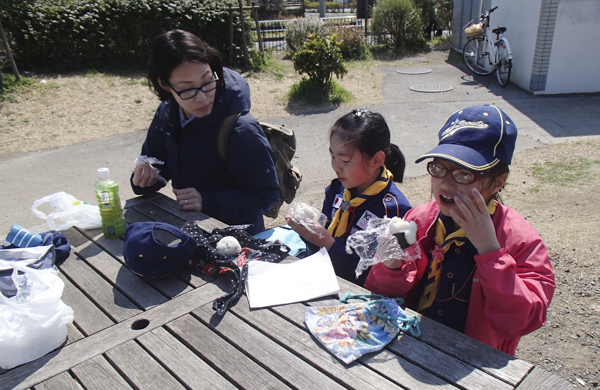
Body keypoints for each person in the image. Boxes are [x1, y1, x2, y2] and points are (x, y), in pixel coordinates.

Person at [365, 105, 555, 356]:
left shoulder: (521, 241)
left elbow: (520, 321)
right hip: (412, 345)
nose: (445, 182)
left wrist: (490, 250)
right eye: (438, 167)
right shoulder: (419, 220)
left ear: (498, 181)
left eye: (464, 173)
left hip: (474, 362)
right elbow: (385, 297)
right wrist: (391, 266)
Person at [131, 29, 279, 234]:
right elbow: (157, 163)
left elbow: (267, 197)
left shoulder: (241, 128)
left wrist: (206, 200)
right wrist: (144, 181)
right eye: (187, 89)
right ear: (164, 84)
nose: (201, 98)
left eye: (208, 81)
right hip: (192, 231)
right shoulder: (167, 112)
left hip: (239, 242)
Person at [286, 108, 412, 286]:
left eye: (345, 161)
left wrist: (327, 243)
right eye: (332, 156)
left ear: (377, 160)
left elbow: (376, 276)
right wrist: (309, 232)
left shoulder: (394, 210)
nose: (336, 166)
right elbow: (321, 241)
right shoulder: (337, 189)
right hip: (321, 280)